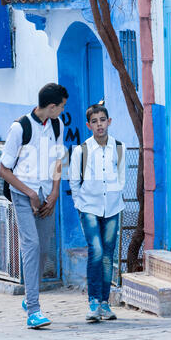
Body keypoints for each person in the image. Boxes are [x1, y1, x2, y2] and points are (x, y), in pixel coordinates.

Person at [0, 83, 68, 329]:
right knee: (32, 245)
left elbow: (59, 160)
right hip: (23, 195)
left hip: (48, 196)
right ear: (51, 106)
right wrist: (29, 193)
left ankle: (31, 295)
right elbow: (4, 169)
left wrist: (55, 193)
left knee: (43, 250)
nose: (62, 110)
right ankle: (33, 310)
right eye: (61, 106)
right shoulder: (20, 128)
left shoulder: (58, 126)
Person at [69, 104, 125, 322]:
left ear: (109, 122)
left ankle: (104, 303)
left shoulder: (119, 148)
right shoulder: (80, 150)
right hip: (89, 207)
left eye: (103, 120)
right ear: (88, 125)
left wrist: (115, 195)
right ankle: (93, 301)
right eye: (95, 121)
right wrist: (79, 204)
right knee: (97, 250)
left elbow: (121, 178)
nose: (99, 124)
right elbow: (74, 180)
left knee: (108, 256)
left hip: (112, 207)